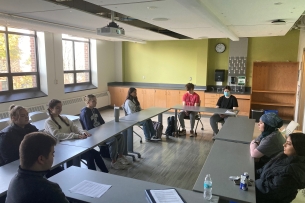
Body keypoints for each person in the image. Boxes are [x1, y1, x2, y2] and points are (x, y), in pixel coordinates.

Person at [44, 99, 108, 173]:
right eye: (57, 108)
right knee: (90, 157)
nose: (60, 109)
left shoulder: (64, 118)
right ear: (51, 109)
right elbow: (58, 135)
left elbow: (74, 128)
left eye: (61, 107)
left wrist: (82, 132)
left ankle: (106, 173)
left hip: (73, 144)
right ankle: (93, 176)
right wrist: (76, 136)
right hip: (63, 148)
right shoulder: (49, 122)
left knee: (96, 154)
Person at [6, 132, 69, 203]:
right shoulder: (49, 190)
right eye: (52, 153)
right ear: (41, 159)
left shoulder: (14, 181)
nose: (53, 156)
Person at [80, 94, 131, 170]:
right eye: (93, 101)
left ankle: (120, 156)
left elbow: (102, 122)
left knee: (120, 136)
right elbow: (89, 128)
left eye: (96, 100)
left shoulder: (96, 110)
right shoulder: (85, 113)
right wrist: (102, 132)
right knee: (113, 140)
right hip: (94, 135)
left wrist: (107, 130)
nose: (95, 102)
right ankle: (114, 161)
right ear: (87, 102)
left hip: (102, 132)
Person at [255, 133, 305, 203]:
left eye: (288, 144)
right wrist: (252, 174)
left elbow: (269, 190)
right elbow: (265, 169)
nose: (284, 145)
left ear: (298, 148)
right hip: (259, 187)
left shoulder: (292, 171)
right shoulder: (283, 155)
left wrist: (251, 183)